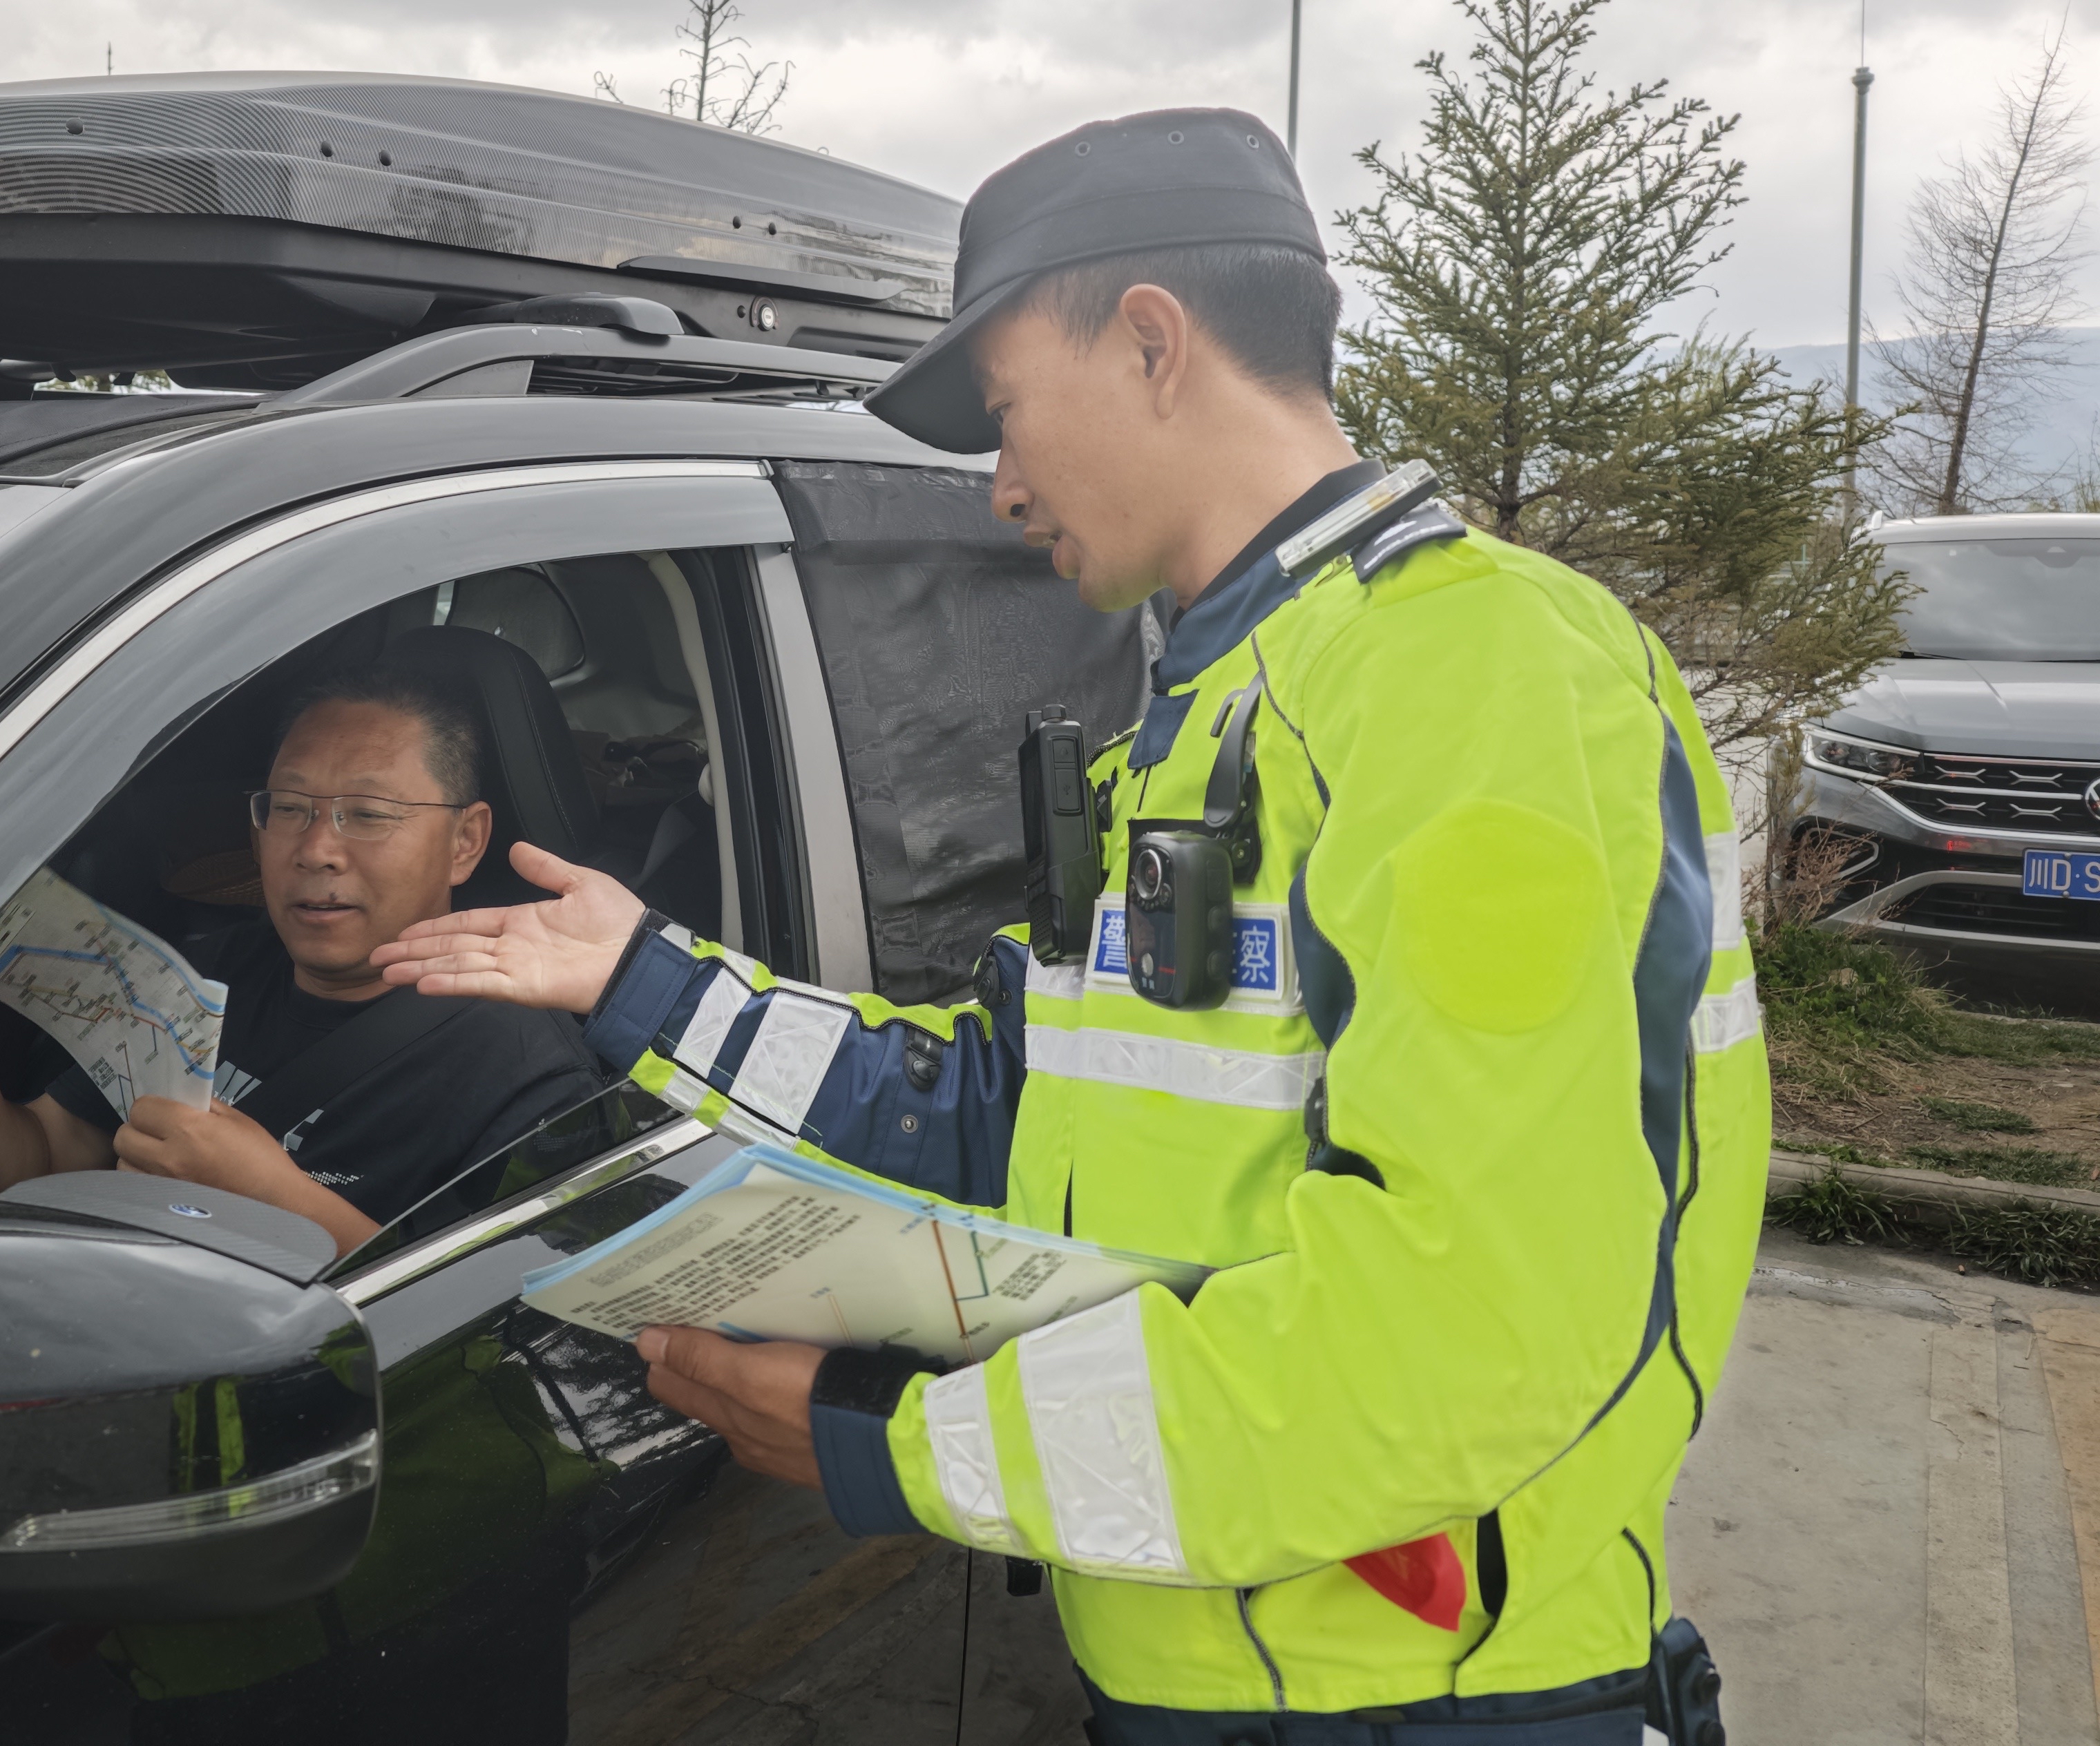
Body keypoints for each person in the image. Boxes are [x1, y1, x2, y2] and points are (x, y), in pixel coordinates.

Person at [374, 111, 1763, 1742]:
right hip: (1214, 1678)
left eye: (1006, 411)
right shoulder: (1216, 707)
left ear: (1153, 343)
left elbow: (1470, 1324)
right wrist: (645, 979)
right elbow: (1009, 1107)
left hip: (1426, 1703)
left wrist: (901, 1448)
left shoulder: (1469, 678)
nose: (1002, 484)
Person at [0, 665, 605, 1253]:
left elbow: (480, 1333)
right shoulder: (189, 979)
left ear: (465, 842)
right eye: (290, 808)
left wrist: (267, 1197)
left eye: (368, 815)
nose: (316, 849)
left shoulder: (529, 1075)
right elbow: (32, 1171)